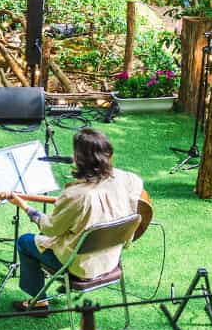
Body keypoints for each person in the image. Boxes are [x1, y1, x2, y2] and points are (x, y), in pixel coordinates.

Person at [8, 128, 143, 313]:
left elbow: (50, 228)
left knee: (25, 241)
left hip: (80, 267)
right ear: (108, 154)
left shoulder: (75, 195)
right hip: (111, 259)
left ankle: (38, 302)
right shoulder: (130, 179)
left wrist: (25, 206)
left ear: (78, 158)